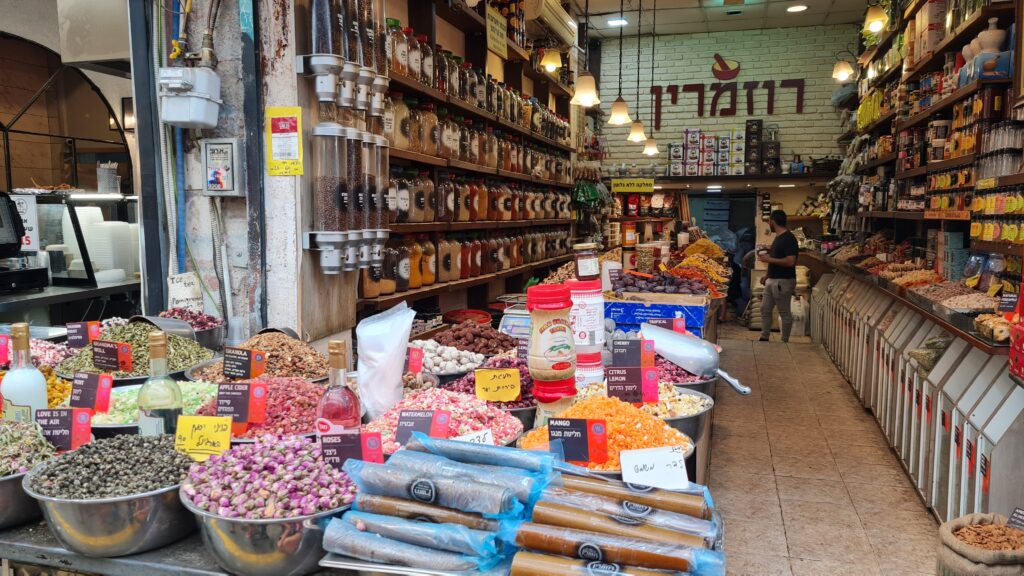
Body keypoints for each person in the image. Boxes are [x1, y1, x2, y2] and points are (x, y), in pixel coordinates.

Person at [757, 210, 799, 342]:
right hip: (772, 279)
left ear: (773, 222)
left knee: (784, 311)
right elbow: (775, 258)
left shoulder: (789, 238)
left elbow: (791, 261)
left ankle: (784, 340)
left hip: (783, 281)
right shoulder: (778, 238)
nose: (769, 224)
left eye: (769, 221)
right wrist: (767, 274)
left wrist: (769, 260)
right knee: (765, 308)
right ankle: (764, 336)